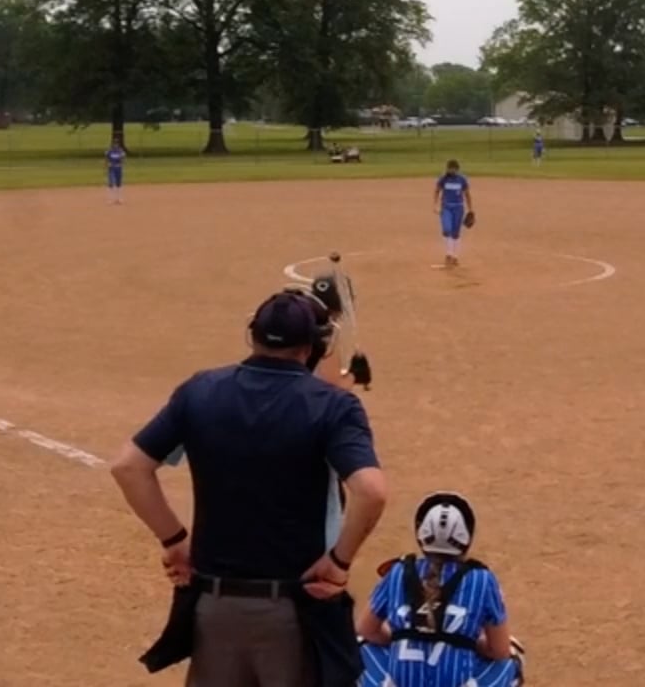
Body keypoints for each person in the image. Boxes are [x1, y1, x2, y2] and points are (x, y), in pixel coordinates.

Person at [114, 288, 389, 687]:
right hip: (293, 612)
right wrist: (339, 562)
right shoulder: (332, 405)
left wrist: (174, 540)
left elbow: (129, 468)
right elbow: (371, 491)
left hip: (214, 610)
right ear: (312, 346)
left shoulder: (201, 391)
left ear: (252, 334)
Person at [357, 492, 523, 687]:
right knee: (513, 655)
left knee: (360, 644)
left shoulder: (397, 571)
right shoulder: (482, 578)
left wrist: (400, 637)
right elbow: (499, 650)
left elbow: (366, 630)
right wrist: (470, 641)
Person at [433, 160, 473, 267]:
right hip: (446, 207)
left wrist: (470, 209)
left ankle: (455, 257)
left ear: (457, 169)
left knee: (456, 233)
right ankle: (448, 254)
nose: (451, 170)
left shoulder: (462, 179)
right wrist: (435, 205)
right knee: (447, 229)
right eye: (449, 168)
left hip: (458, 208)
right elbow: (437, 191)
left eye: (453, 169)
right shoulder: (443, 178)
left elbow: (467, 194)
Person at [106, 137, 127, 205]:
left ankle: (118, 199)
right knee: (111, 183)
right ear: (112, 144)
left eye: (117, 143)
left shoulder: (120, 151)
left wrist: (121, 163)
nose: (115, 144)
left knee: (118, 183)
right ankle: (110, 199)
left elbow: (123, 158)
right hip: (111, 169)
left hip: (118, 168)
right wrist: (108, 164)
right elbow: (107, 159)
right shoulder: (110, 151)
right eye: (114, 143)